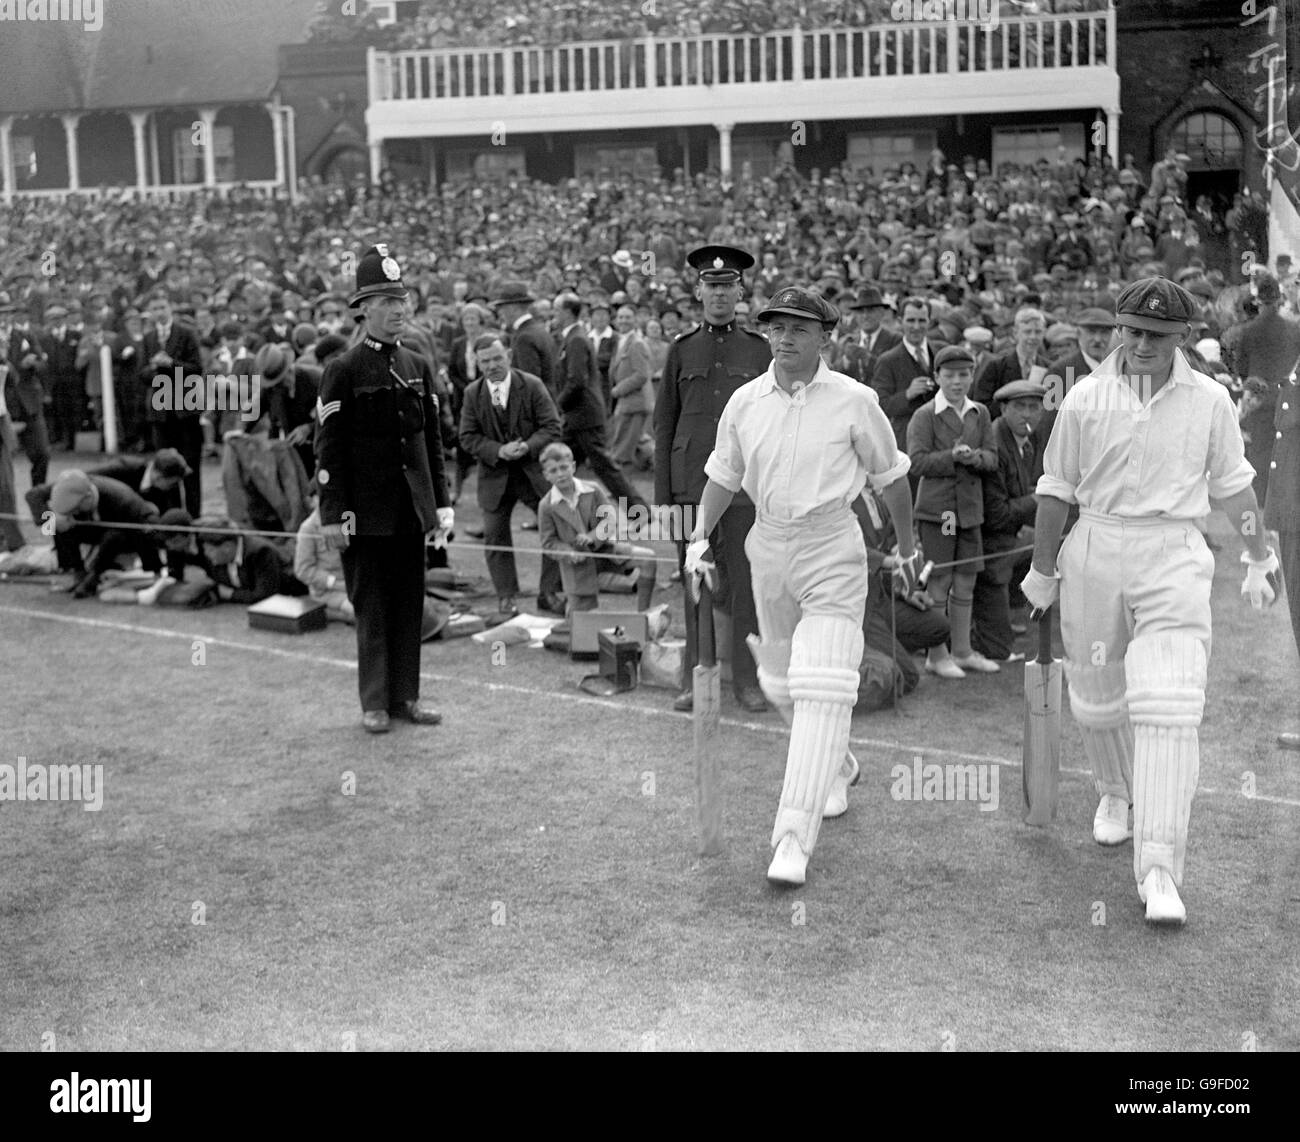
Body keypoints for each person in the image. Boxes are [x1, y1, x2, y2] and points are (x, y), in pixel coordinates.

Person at [1021, 276, 1278, 925]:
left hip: (1171, 553)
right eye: (1130, 332)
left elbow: (1235, 488)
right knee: (1101, 700)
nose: (1138, 344)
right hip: (1096, 550)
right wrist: (1043, 570)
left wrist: (1258, 555)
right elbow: (1056, 489)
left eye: (1155, 336)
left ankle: (1160, 865)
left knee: (1168, 708)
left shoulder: (1211, 401)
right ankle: (1113, 792)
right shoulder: (1084, 397)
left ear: (1184, 338)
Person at [686, 285, 919, 886]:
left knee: (821, 683)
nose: (784, 338)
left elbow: (891, 479)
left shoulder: (855, 400)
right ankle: (836, 763)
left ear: (825, 336)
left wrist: (910, 547)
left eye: (798, 329)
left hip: (832, 547)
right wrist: (697, 537)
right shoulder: (744, 401)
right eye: (775, 328)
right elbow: (723, 475)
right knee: (779, 681)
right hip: (767, 546)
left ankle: (792, 835)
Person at [315, 244, 453, 734]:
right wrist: (332, 515)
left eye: (402, 301)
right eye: (386, 303)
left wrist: (441, 502)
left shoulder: (417, 364)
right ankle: (375, 701)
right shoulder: (343, 370)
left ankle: (406, 697)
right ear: (363, 310)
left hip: (409, 511)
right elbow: (327, 450)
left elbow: (431, 438)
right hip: (363, 513)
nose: (398, 310)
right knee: (370, 607)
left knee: (408, 603)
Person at [653, 245, 771, 714]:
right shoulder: (681, 349)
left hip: (743, 490)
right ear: (698, 291)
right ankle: (695, 676)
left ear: (740, 292)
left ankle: (747, 679)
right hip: (690, 489)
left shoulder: (758, 350)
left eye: (728, 286)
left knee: (746, 583)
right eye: (711, 286)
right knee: (694, 581)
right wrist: (664, 496)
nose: (719, 294)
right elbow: (665, 424)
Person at [907, 344, 1000, 678]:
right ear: (936, 377)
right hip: (940, 512)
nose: (957, 382)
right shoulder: (925, 415)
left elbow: (992, 457)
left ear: (973, 375)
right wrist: (952, 457)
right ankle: (937, 654)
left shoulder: (981, 413)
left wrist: (974, 458)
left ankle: (962, 651)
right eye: (950, 375)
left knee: (966, 580)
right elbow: (915, 461)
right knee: (940, 579)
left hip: (970, 511)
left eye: (964, 375)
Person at [458, 332, 564, 616]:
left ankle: (550, 592)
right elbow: (467, 437)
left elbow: (552, 426)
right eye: (485, 362)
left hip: (532, 474)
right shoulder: (472, 393)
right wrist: (498, 450)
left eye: (496, 358)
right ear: (477, 363)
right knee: (494, 537)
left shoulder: (531, 385)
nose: (492, 365)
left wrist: (527, 446)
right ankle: (506, 597)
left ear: (508, 355)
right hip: (494, 478)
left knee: (555, 527)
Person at [536, 441, 657, 619]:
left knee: (648, 559)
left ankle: (643, 617)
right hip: (577, 565)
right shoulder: (546, 506)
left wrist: (593, 537)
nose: (560, 474)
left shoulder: (593, 489)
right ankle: (571, 633)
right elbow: (548, 543)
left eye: (564, 468)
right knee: (579, 625)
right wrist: (569, 553)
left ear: (573, 467)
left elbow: (610, 519)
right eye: (553, 471)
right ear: (546, 475)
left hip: (606, 550)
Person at [971, 378, 1046, 663]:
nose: (1027, 414)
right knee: (999, 650)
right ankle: (989, 624)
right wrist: (1038, 498)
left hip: (1009, 533)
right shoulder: (997, 442)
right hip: (987, 540)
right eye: (1019, 407)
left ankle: (1014, 610)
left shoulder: (1027, 437)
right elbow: (997, 515)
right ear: (1003, 409)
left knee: (1048, 537)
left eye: (1033, 407)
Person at [26, 469, 162, 598]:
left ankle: (96, 573)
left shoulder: (125, 501)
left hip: (124, 538)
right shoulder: (67, 486)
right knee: (59, 521)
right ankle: (74, 570)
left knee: (114, 535)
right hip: (92, 531)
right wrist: (52, 519)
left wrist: (154, 573)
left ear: (88, 497)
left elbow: (148, 530)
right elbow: (32, 495)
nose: (74, 513)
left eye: (76, 509)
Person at [142, 291, 204, 512]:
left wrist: (171, 363)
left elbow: (197, 368)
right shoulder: (148, 338)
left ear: (170, 309)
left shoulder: (186, 333)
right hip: (161, 412)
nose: (159, 312)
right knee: (166, 465)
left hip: (185, 409)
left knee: (189, 464)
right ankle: (173, 513)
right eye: (155, 308)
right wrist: (154, 369)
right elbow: (142, 375)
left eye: (162, 307)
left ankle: (195, 513)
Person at [869, 295, 942, 452]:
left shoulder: (940, 353)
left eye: (922, 321)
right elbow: (879, 405)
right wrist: (907, 394)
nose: (916, 326)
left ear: (929, 322)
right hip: (907, 442)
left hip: (940, 439)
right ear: (900, 321)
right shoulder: (887, 360)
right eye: (910, 320)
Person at [192, 515, 308, 605]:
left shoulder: (261, 553)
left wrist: (231, 594)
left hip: (295, 587)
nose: (207, 554)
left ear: (227, 547)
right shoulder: (217, 558)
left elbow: (265, 596)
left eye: (210, 550)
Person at [971, 305, 1051, 419]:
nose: (1033, 337)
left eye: (1038, 332)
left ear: (1043, 334)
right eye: (1027, 332)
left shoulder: (1050, 368)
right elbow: (982, 406)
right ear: (1015, 333)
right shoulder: (996, 367)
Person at [607, 304, 653, 476]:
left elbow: (641, 375)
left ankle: (622, 489)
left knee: (622, 450)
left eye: (627, 317)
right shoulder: (621, 341)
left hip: (633, 402)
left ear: (635, 320)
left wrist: (618, 390)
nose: (623, 321)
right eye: (620, 317)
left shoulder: (636, 343)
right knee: (639, 441)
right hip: (628, 402)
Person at [491, 281, 557, 397]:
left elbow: (528, 383)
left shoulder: (524, 337)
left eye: (503, 308)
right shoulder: (539, 330)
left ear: (513, 309)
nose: (501, 314)